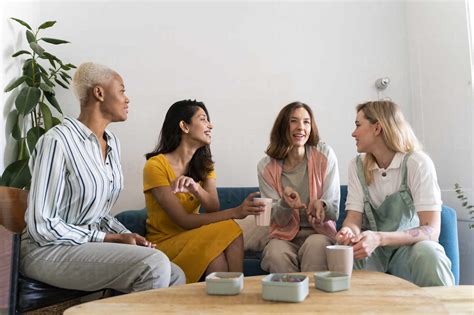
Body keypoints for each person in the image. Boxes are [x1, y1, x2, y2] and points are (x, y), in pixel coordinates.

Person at [21, 62, 185, 293]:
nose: (127, 98)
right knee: (153, 265)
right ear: (99, 92)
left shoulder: (112, 143)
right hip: (46, 249)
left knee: (175, 273)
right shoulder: (57, 141)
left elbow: (97, 214)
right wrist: (109, 238)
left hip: (86, 245)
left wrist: (126, 235)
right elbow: (42, 224)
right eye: (121, 90)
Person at [143, 99, 264, 283]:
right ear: (184, 126)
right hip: (166, 242)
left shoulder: (204, 164)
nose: (210, 125)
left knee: (220, 246)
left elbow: (213, 207)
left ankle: (235, 295)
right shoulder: (155, 166)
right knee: (229, 228)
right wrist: (236, 212)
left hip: (195, 237)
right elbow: (183, 221)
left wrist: (196, 188)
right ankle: (236, 296)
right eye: (203, 119)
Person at [337, 100, 454, 286]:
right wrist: (348, 231)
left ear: (377, 128)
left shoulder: (417, 163)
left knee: (429, 252)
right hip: (372, 253)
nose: (353, 133)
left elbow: (431, 230)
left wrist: (379, 238)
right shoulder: (356, 166)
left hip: (407, 249)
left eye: (358, 125)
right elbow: (353, 219)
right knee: (346, 253)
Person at [257, 101, 340, 273]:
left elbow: (334, 210)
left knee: (317, 246)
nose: (300, 127)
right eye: (293, 121)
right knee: (274, 253)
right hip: (283, 237)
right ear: (282, 126)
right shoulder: (265, 167)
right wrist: (285, 204)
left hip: (319, 234)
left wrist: (322, 205)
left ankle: (314, 299)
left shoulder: (324, 155)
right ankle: (288, 297)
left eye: (306, 122)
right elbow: (275, 220)